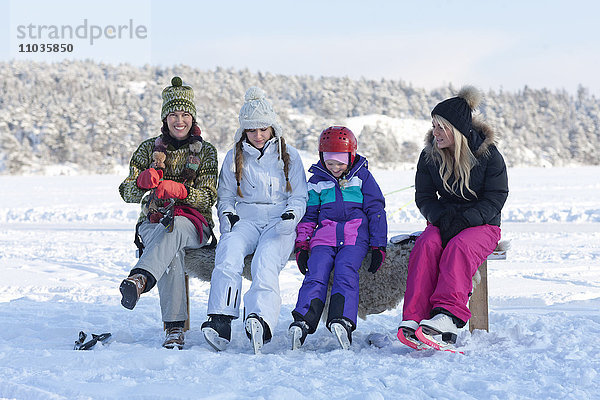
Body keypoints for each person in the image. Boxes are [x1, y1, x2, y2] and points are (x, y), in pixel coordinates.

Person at [397, 86, 508, 351]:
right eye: (433, 126)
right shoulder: (429, 156)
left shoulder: (489, 156)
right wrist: (439, 217)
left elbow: (496, 197)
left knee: (459, 247)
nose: (434, 132)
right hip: (445, 219)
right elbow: (424, 196)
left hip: (483, 224)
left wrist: (466, 220)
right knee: (426, 245)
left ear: (457, 130)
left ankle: (449, 316)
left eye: (441, 127)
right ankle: (415, 318)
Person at [201, 87, 308, 354]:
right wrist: (227, 216)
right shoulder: (234, 157)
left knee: (265, 260)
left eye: (263, 129)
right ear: (243, 132)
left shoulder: (290, 156)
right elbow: (225, 195)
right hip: (245, 220)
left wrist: (291, 217)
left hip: (278, 221)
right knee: (228, 253)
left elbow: (299, 196)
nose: (258, 136)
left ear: (272, 127)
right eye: (252, 130)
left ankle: (261, 319)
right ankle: (220, 320)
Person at [118, 77, 218, 349]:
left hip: (193, 223)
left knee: (174, 229)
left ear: (192, 117)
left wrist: (182, 192)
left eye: (185, 114)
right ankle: (174, 330)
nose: (179, 120)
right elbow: (126, 191)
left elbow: (209, 196)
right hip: (152, 221)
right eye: (173, 114)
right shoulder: (148, 149)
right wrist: (140, 184)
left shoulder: (206, 152)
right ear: (165, 118)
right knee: (169, 244)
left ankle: (140, 278)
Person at [289, 126, 388, 350]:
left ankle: (342, 320)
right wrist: (302, 244)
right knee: (316, 272)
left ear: (351, 157)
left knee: (345, 271)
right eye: (329, 162)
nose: (334, 168)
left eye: (340, 163)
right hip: (323, 238)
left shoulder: (362, 177)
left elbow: (376, 211)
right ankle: (303, 321)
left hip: (354, 237)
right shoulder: (316, 181)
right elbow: (309, 215)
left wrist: (378, 245)